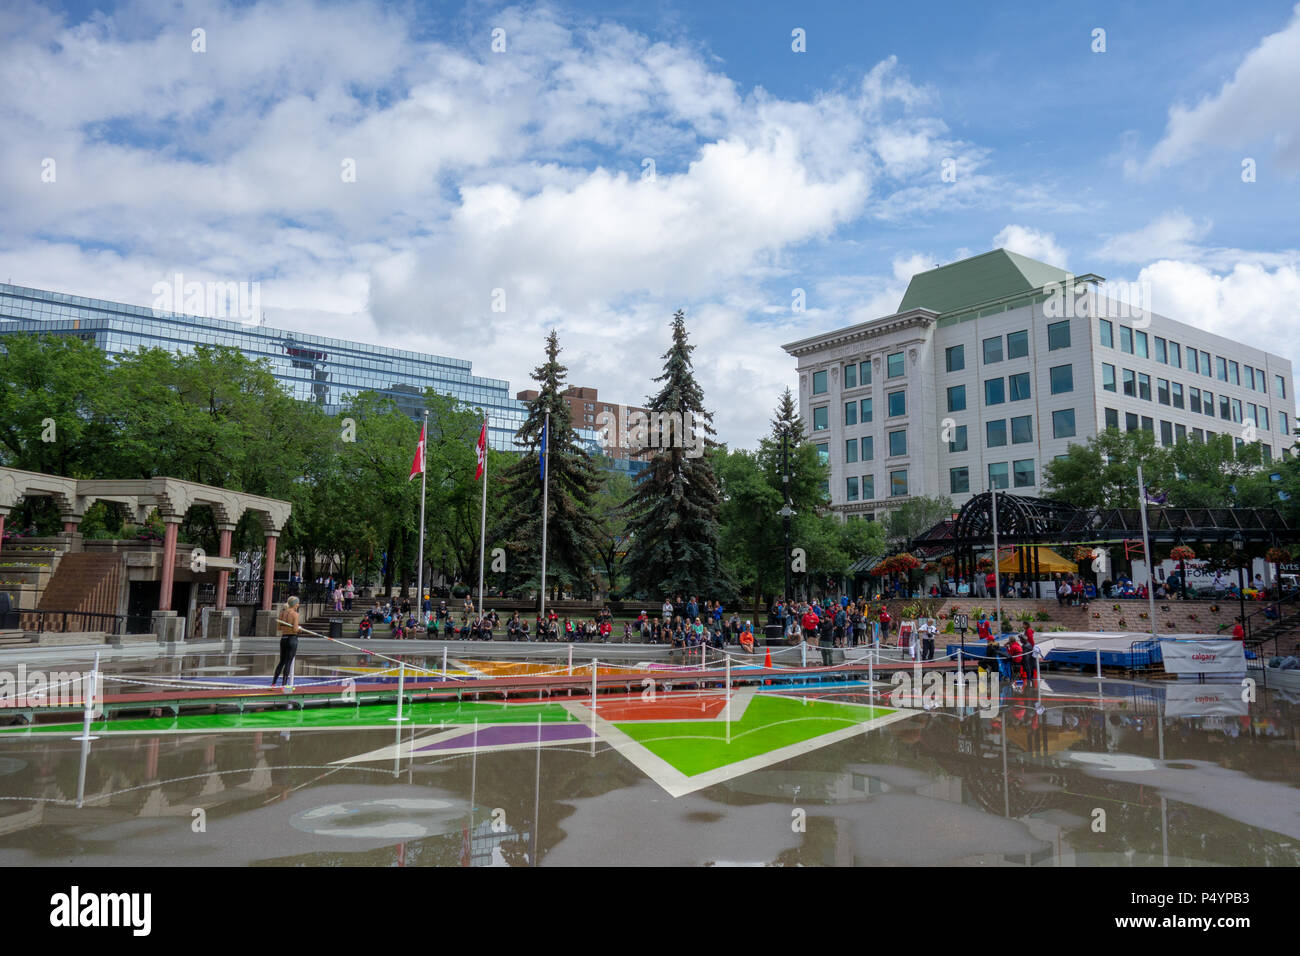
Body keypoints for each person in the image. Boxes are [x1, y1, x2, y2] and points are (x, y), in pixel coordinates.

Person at [272, 596, 301, 689]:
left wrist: (288, 626)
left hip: (284, 638)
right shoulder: (295, 614)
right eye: (298, 603)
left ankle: (273, 683)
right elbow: (295, 629)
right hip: (292, 639)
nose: (298, 605)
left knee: (281, 662)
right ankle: (284, 684)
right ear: (295, 604)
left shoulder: (282, 613)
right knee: (288, 662)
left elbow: (279, 628)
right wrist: (299, 629)